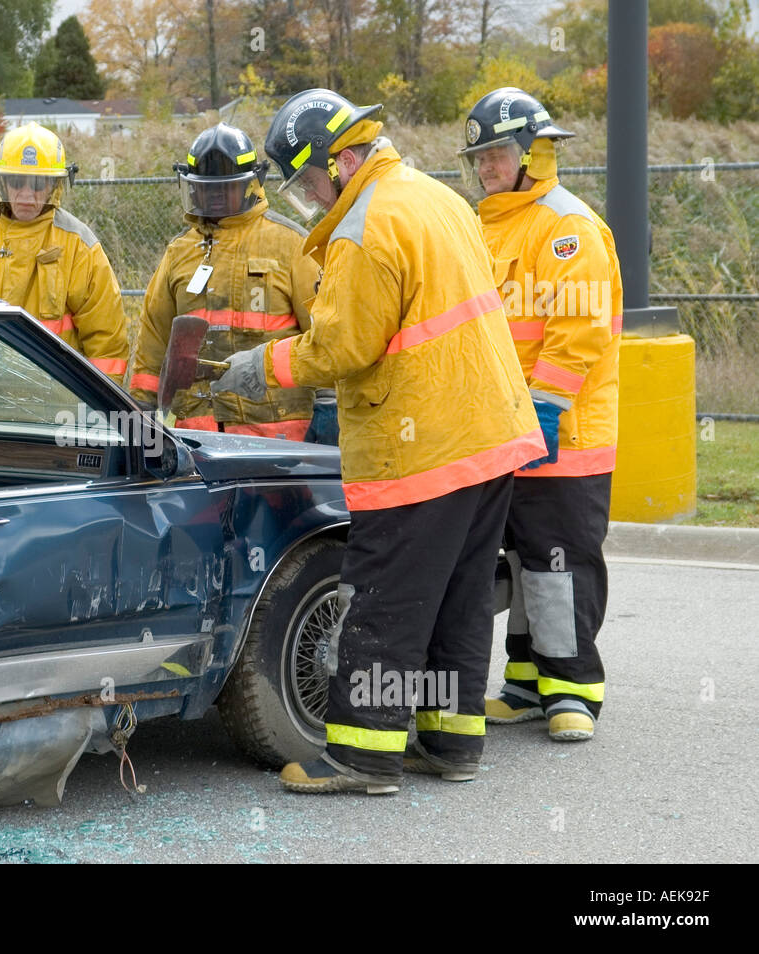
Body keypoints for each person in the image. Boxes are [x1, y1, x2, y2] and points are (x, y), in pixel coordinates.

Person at [213, 88, 545, 794]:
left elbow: (342, 345)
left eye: (307, 180)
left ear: (344, 161)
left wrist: (261, 363)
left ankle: (362, 755)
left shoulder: (365, 227)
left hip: (421, 442)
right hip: (488, 434)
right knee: (458, 596)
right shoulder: (433, 197)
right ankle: (451, 744)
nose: (306, 196)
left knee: (386, 597)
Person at [458, 87, 622, 742]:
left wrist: (545, 412)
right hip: (505, 430)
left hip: (562, 432)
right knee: (525, 560)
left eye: (498, 152)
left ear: (534, 151)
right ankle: (528, 682)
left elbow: (579, 333)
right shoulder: (485, 223)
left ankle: (574, 690)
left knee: (558, 564)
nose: (488, 166)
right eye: (480, 156)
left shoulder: (566, 226)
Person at [127, 123, 325, 440]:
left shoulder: (292, 245)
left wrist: (329, 413)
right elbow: (153, 342)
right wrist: (141, 411)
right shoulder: (180, 251)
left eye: (226, 188)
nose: (216, 198)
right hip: (196, 439)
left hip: (279, 439)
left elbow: (325, 338)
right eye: (207, 190)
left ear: (253, 183)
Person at [0, 123, 129, 383]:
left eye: (37, 183)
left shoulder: (79, 247)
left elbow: (106, 344)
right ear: (2, 182)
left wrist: (99, 411)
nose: (26, 193)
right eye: (16, 181)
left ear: (53, 186)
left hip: (54, 409)